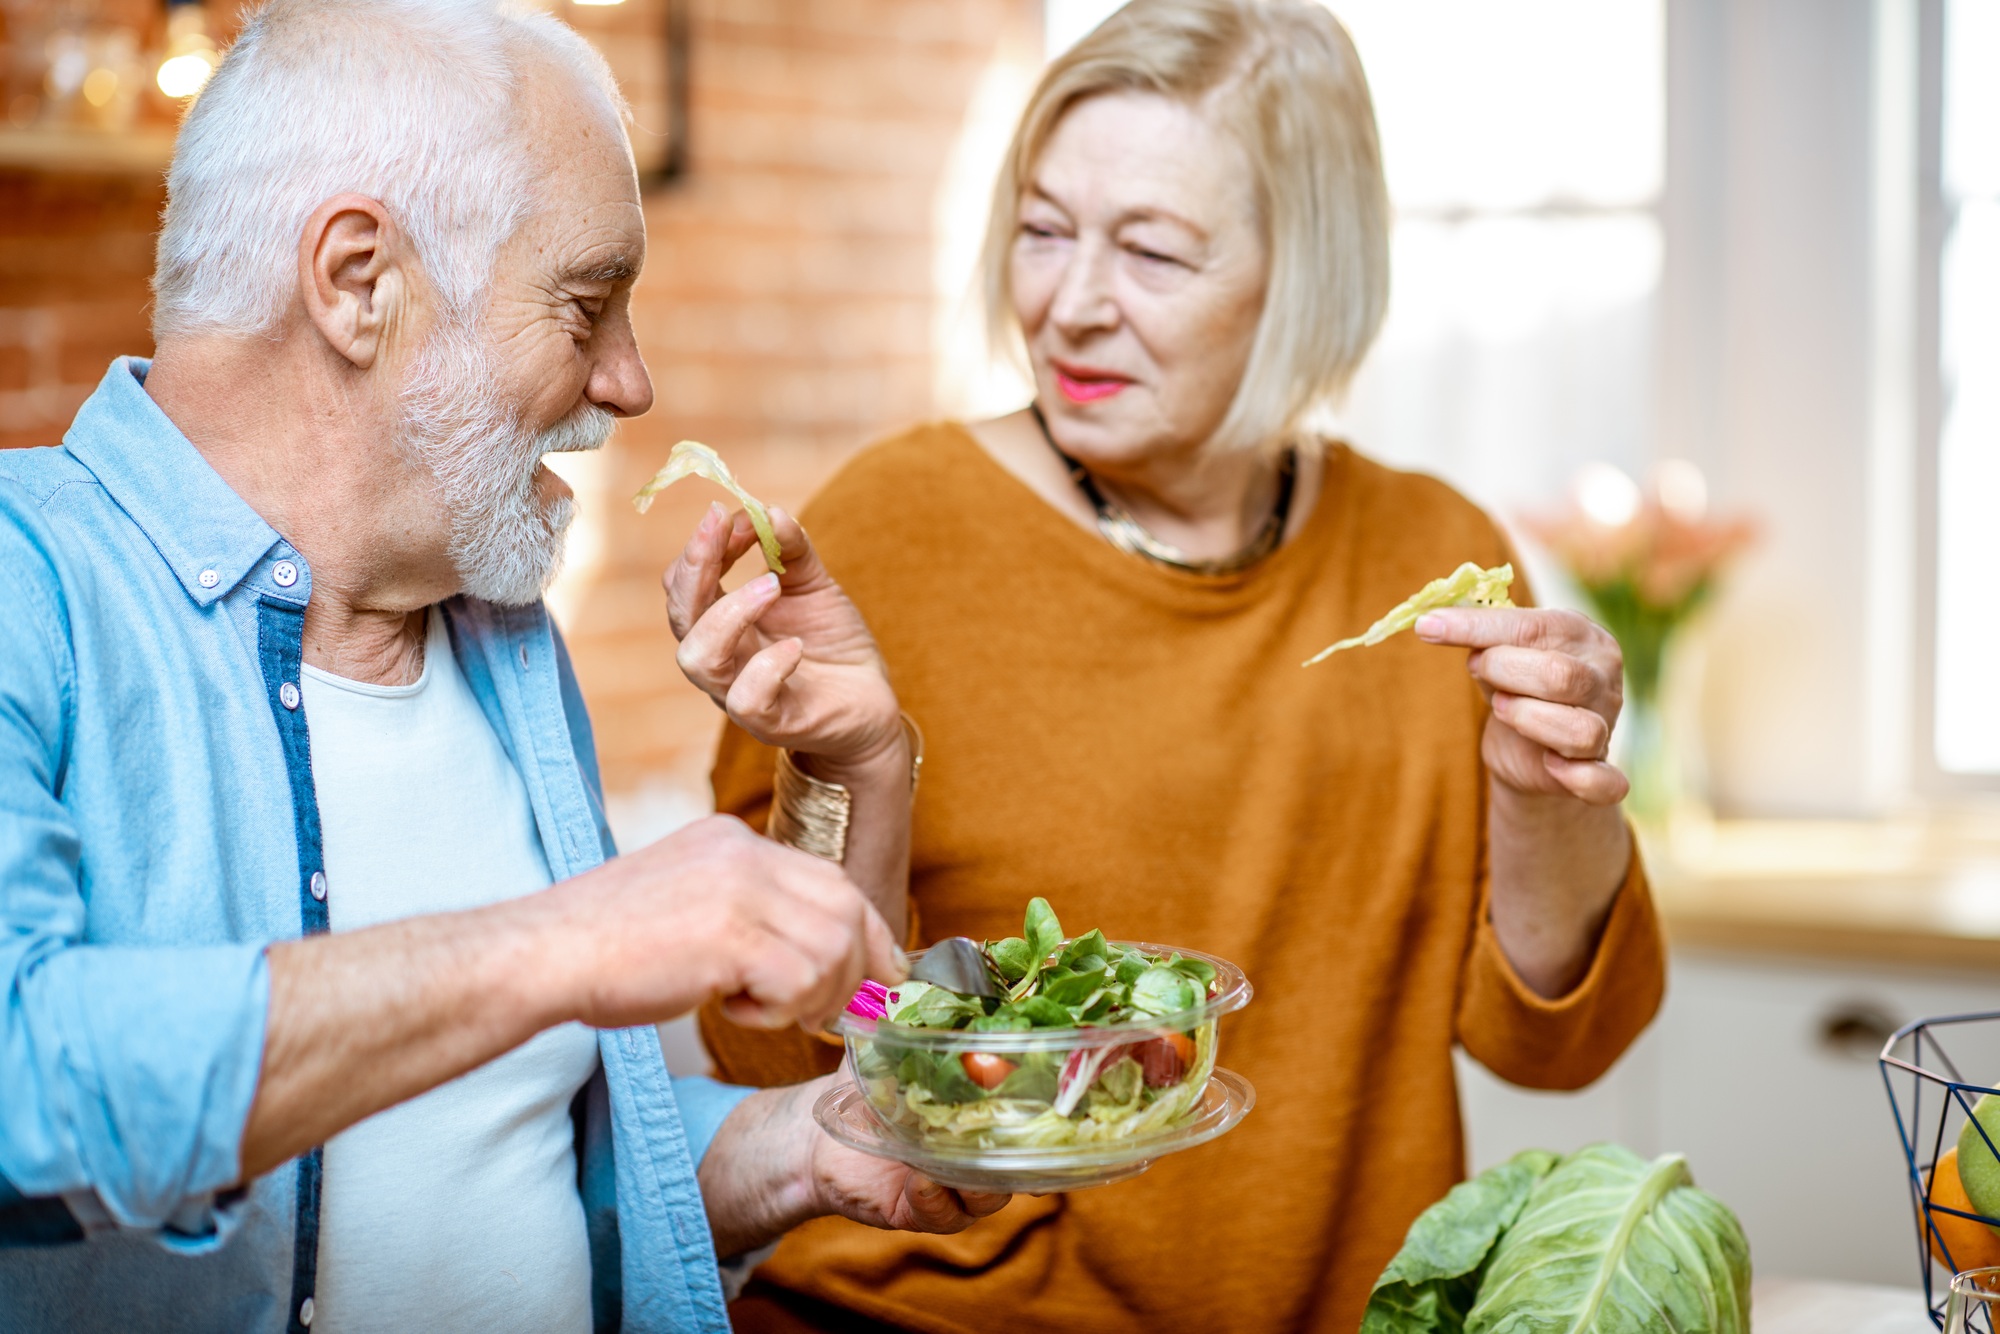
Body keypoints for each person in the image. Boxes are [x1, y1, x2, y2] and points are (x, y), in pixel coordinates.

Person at [0, 3, 1006, 1331]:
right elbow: (24, 1080)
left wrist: (809, 1144)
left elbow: (509, 1176)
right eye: (588, 304)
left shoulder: (493, 636)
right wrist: (569, 941)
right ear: (360, 281)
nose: (633, 381)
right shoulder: (31, 580)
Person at [661, 1, 1665, 1329]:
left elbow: (1559, 1042)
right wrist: (861, 778)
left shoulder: (1436, 558)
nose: (1070, 305)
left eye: (1151, 250)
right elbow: (786, 1051)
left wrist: (1548, 792)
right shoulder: (892, 531)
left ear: (1306, 273)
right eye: (1041, 229)